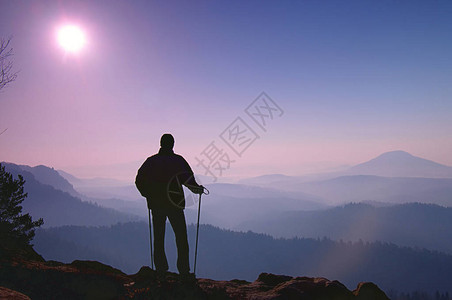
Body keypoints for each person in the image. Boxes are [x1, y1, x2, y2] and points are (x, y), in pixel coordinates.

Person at [135, 133, 204, 277]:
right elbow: (188, 180)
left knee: (159, 237)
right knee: (181, 237)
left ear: (161, 143)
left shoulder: (151, 161)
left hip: (157, 204)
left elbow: (139, 180)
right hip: (175, 204)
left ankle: (161, 269)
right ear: (172, 144)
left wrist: (148, 194)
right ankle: (184, 270)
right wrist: (198, 190)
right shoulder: (178, 161)